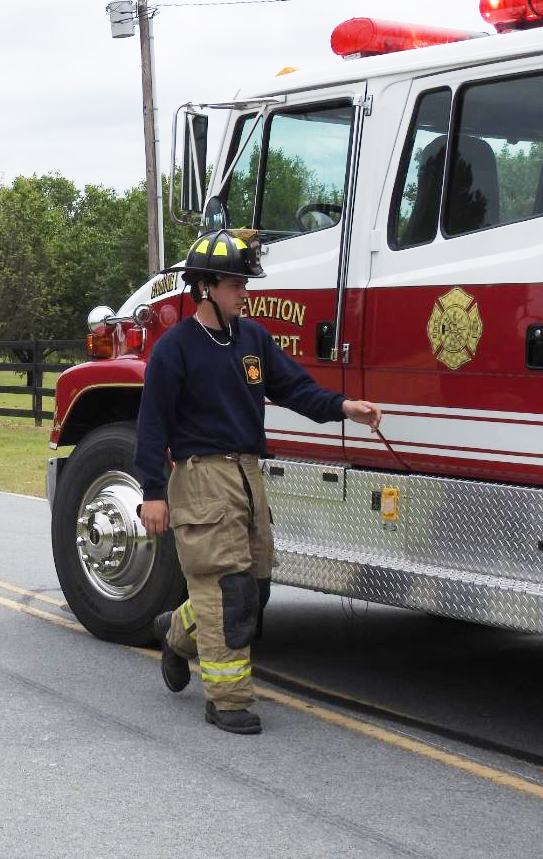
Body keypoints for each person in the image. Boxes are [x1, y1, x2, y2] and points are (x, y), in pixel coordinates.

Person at [135, 229, 382, 735]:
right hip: (202, 479)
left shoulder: (253, 340)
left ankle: (177, 632)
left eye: (245, 284)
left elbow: (296, 389)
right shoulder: (174, 349)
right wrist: (152, 494)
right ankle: (227, 701)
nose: (244, 293)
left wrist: (344, 407)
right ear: (205, 288)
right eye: (235, 284)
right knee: (227, 590)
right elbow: (152, 425)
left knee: (254, 588)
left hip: (248, 475)